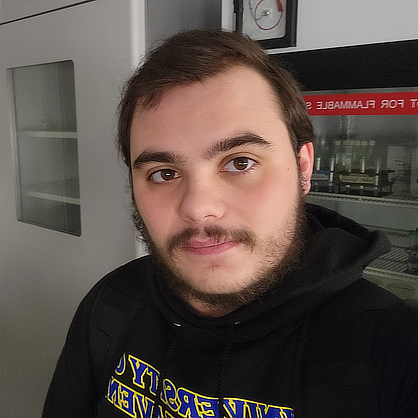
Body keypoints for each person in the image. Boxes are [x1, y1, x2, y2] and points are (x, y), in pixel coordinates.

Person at [43, 30, 418, 418]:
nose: (198, 208)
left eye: (241, 162)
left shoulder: (395, 351)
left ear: (303, 168)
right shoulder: (111, 305)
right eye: (164, 173)